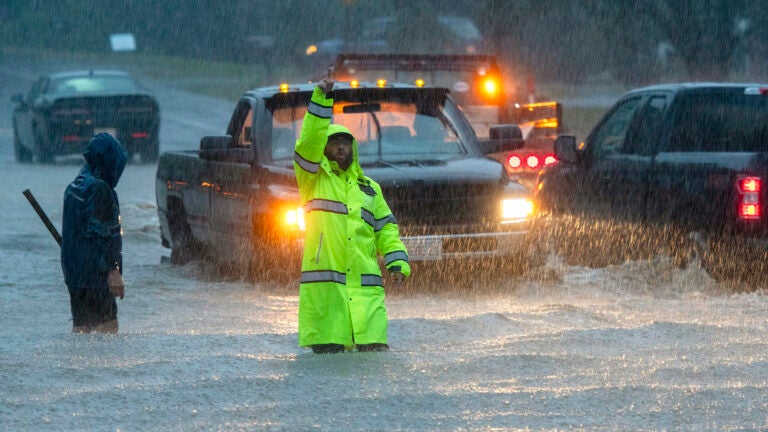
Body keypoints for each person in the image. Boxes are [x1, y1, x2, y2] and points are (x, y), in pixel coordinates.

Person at [293, 78, 410, 353]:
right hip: (327, 306)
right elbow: (308, 141)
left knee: (374, 376)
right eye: (334, 142)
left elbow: (386, 229)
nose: (341, 146)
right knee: (328, 381)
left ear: (354, 147)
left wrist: (397, 262)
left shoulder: (370, 189)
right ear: (324, 148)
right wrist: (322, 97)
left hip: (367, 303)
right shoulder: (313, 180)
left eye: (346, 141)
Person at [61, 133, 127, 333]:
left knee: (82, 330)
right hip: (96, 276)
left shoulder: (75, 186)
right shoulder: (99, 189)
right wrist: (113, 271)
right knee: (108, 334)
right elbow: (102, 234)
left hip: (75, 274)